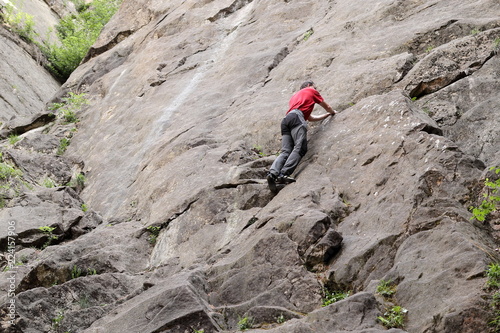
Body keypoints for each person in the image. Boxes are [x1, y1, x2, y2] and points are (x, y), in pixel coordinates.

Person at [267, 81, 336, 190]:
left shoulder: (295, 97)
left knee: (286, 150)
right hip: (297, 118)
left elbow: (310, 118)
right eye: (315, 87)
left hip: (286, 120)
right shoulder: (311, 90)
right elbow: (327, 106)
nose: (316, 89)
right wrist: (332, 112)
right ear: (309, 85)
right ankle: (283, 173)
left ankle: (273, 173)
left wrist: (325, 116)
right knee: (300, 147)